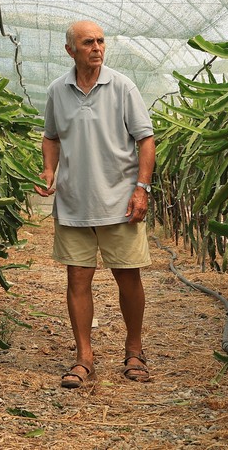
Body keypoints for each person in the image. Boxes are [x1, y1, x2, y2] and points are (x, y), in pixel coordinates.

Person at [35, 20, 156, 388]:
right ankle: (83, 357)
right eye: (88, 42)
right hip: (73, 201)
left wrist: (141, 189)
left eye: (101, 41)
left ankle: (134, 350)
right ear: (70, 50)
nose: (97, 48)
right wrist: (48, 170)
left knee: (128, 276)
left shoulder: (122, 86)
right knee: (77, 279)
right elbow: (51, 137)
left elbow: (146, 139)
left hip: (119, 200)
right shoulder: (58, 91)